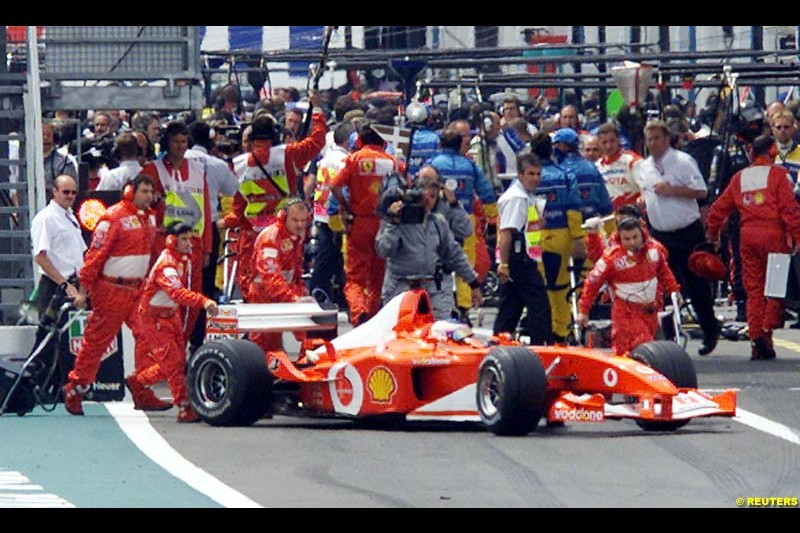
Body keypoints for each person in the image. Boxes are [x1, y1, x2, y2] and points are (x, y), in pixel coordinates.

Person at [62, 175, 163, 416]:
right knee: (96, 343)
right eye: (144, 191)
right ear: (130, 191)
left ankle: (141, 386)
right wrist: (84, 291)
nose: (149, 196)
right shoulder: (112, 217)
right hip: (111, 290)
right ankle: (76, 387)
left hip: (138, 289)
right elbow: (94, 256)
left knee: (149, 336)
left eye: (151, 192)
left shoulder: (150, 217)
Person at [220, 94, 326, 301]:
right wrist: (318, 109)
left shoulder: (238, 164)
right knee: (288, 277)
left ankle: (257, 327)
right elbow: (317, 140)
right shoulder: (288, 153)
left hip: (252, 233)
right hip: (285, 231)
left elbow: (237, 208)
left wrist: (228, 221)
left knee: (253, 283)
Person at [706, 135, 800, 360]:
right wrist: (796, 236)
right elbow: (790, 210)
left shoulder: (740, 177)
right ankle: (765, 331)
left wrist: (713, 235)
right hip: (774, 236)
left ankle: (757, 337)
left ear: (751, 152)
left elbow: (718, 210)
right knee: (775, 289)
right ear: (772, 150)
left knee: (754, 291)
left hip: (748, 237)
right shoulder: (779, 175)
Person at [635, 119, 720, 356]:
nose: (652, 143)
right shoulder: (644, 167)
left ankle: (710, 328)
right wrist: (643, 201)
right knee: (662, 286)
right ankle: (669, 337)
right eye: (649, 139)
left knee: (696, 284)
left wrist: (673, 191)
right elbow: (645, 191)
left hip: (686, 231)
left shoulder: (683, 162)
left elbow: (701, 191)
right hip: (660, 234)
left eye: (657, 138)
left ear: (666, 139)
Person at [126, 223, 219, 422]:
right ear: (171, 240)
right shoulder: (167, 264)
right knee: (174, 363)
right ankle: (184, 407)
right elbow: (177, 292)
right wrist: (203, 301)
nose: (189, 244)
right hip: (154, 319)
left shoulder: (181, 260)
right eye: (184, 239)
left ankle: (138, 381)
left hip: (170, 315)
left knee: (173, 362)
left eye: (190, 239)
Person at [141, 121, 212, 342]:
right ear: (167, 143)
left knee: (192, 296)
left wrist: (208, 247)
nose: (180, 146)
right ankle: (165, 345)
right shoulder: (153, 169)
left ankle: (186, 343)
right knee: (166, 295)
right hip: (164, 241)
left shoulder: (199, 168)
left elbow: (206, 209)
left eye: (183, 141)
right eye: (175, 142)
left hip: (194, 241)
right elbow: (144, 203)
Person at [376, 174, 482, 320]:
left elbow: (454, 254)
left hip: (430, 287)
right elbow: (383, 250)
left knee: (438, 330)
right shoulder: (397, 220)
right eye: (424, 195)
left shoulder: (438, 222)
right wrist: (393, 222)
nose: (427, 201)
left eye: (433, 196)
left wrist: (473, 283)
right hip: (400, 286)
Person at [330, 121, 403, 326]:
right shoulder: (394, 162)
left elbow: (334, 186)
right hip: (385, 224)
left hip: (359, 223)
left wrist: (346, 205)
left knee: (355, 277)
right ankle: (371, 318)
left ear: (360, 140)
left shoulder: (353, 159)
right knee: (377, 275)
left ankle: (358, 312)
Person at [577, 217, 682, 357]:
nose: (632, 242)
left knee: (649, 352)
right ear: (620, 238)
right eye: (627, 239)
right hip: (626, 313)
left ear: (642, 234)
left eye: (635, 237)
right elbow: (592, 283)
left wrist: (674, 291)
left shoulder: (655, 251)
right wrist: (583, 310)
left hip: (651, 310)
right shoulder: (612, 258)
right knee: (643, 349)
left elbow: (665, 272)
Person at [426, 123, 498, 322]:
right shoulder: (470, 165)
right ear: (459, 144)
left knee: (438, 261)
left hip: (437, 219)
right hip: (465, 218)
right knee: (465, 262)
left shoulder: (433, 164)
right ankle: (464, 308)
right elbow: (486, 193)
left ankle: (441, 306)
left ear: (441, 143)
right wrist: (492, 219)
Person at [185, 120, 239, 351]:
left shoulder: (174, 161)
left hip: (177, 229)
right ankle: (197, 339)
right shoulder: (217, 164)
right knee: (204, 287)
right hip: (207, 230)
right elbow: (235, 190)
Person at [530, 132, 585, 342]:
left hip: (533, 236)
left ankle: (539, 329)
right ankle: (560, 331)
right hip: (560, 236)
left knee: (537, 285)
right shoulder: (565, 175)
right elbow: (573, 209)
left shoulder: (528, 175)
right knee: (560, 285)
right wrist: (578, 237)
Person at [493, 153, 552, 345]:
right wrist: (504, 264)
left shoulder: (525, 197)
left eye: (538, 174)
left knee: (511, 306)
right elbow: (507, 232)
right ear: (520, 175)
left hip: (523, 257)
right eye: (530, 174)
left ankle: (499, 342)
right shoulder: (517, 198)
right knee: (539, 305)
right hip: (518, 260)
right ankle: (542, 347)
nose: (535, 178)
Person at [248, 197, 312, 354]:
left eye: (303, 221)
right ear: (284, 217)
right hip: (263, 295)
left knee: (309, 331)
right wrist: (294, 298)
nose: (300, 225)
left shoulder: (297, 234)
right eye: (295, 220)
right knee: (265, 347)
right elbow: (270, 278)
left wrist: (302, 292)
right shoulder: (270, 238)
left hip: (286, 290)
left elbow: (296, 268)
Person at [308, 121, 353, 305]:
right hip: (336, 213)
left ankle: (325, 292)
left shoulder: (325, 158)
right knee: (337, 257)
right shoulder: (345, 161)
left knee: (327, 256)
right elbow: (343, 189)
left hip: (321, 212)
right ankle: (322, 293)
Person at [30, 175, 88, 316]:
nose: (70, 196)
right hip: (54, 286)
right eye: (66, 192)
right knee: (52, 336)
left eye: (73, 192)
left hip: (75, 286)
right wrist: (64, 285)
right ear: (55, 191)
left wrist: (81, 289)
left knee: (75, 336)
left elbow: (82, 254)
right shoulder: (46, 218)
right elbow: (40, 257)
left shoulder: (71, 217)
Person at [596, 122, 642, 211]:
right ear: (599, 144)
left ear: (619, 140)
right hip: (609, 218)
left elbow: (647, 188)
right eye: (604, 142)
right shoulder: (597, 166)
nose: (608, 146)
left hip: (632, 216)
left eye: (612, 141)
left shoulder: (632, 161)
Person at [42, 122, 78, 201]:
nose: (45, 138)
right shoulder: (24, 163)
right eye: (41, 135)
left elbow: (70, 191)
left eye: (48, 135)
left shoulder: (65, 163)